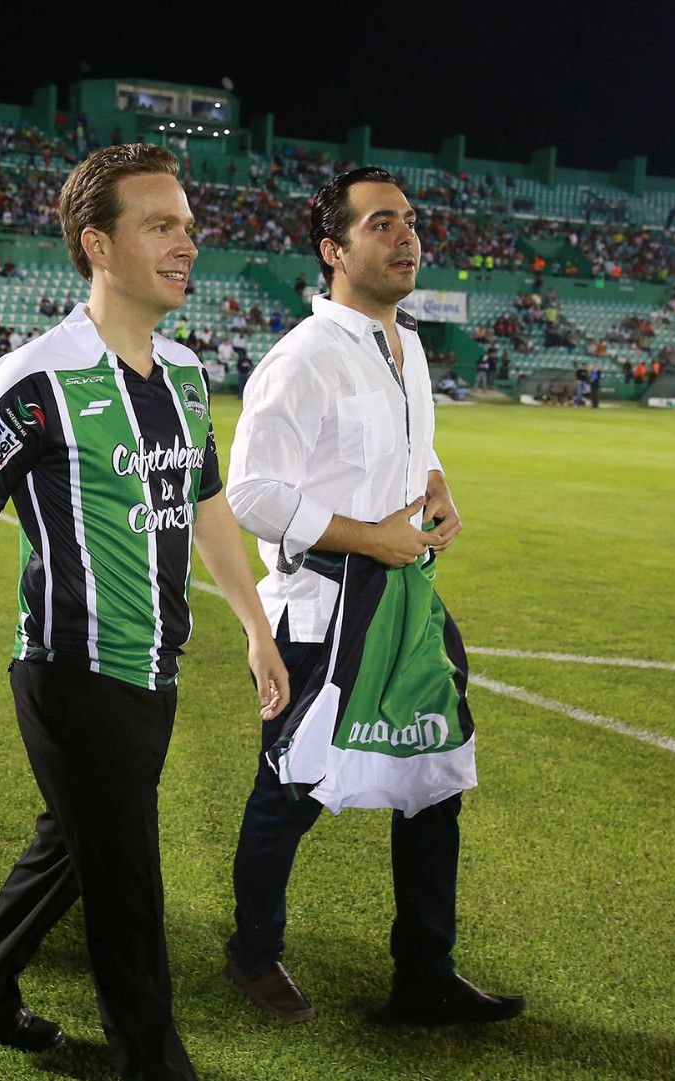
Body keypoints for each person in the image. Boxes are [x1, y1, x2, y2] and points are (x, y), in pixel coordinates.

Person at [0, 144, 287, 1081]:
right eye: (160, 225)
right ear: (97, 246)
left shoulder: (188, 375)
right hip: (73, 673)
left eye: (188, 225)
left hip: (155, 668)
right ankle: (151, 1060)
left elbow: (205, 509)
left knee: (73, 846)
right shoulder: (33, 381)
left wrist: (254, 622)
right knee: (126, 883)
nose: (187, 243)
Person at [223, 167, 524, 1029]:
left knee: (433, 776)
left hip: (407, 604)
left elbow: (407, 446)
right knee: (292, 788)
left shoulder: (409, 345)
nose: (406, 237)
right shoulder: (302, 358)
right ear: (334, 250)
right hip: (322, 613)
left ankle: (424, 971)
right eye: (381, 223)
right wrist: (368, 536)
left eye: (411, 221)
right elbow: (252, 493)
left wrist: (436, 485)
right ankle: (252, 952)